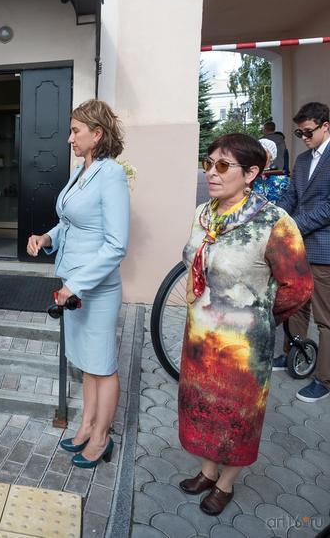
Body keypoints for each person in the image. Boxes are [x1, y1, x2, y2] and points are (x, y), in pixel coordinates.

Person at [178, 133, 312, 516]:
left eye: (223, 166)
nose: (212, 173)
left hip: (242, 349)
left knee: (237, 418)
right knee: (202, 408)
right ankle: (206, 471)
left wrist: (258, 317)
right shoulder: (204, 213)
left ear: (252, 173)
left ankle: (225, 483)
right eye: (209, 163)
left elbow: (297, 288)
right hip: (200, 338)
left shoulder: (273, 222)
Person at [26, 99, 129, 468]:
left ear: (97, 134)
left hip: (95, 287)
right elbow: (69, 221)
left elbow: (117, 244)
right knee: (86, 363)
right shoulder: (80, 170)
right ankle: (86, 426)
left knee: (102, 365)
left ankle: (102, 438)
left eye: (76, 131)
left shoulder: (111, 174)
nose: (69, 138)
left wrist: (77, 285)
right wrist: (46, 238)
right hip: (72, 281)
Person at [273, 102, 330, 404]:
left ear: (325, 126)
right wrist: (275, 216)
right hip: (298, 246)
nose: (304, 137)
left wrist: (295, 223)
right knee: (294, 304)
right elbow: (291, 196)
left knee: (324, 317)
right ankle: (291, 353)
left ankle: (324, 378)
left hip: (324, 248)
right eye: (299, 132)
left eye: (308, 132)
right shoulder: (303, 159)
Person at [253, 137, 290, 203]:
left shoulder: (282, 180)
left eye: (264, 151)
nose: (259, 155)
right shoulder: (249, 176)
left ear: (271, 156)